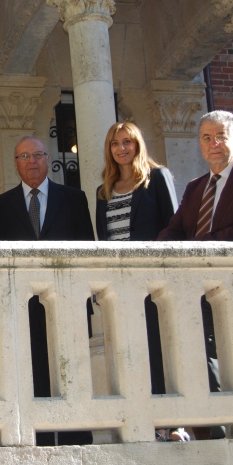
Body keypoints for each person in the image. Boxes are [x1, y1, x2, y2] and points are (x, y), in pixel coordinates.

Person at [158, 110, 233, 440]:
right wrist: (157, 250)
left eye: (221, 137)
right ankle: (213, 434)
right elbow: (175, 229)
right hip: (201, 290)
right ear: (199, 145)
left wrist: (195, 245)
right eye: (207, 138)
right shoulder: (196, 187)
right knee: (200, 356)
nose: (214, 144)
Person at [0, 135, 94, 446]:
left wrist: (87, 298)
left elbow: (88, 250)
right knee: (34, 374)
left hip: (69, 303)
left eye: (38, 155)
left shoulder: (74, 198)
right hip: (24, 308)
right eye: (24, 156)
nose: (32, 161)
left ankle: (78, 440)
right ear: (16, 164)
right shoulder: (0, 205)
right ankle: (42, 441)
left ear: (48, 159)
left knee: (73, 373)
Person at [95, 121, 183, 441]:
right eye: (115, 143)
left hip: (153, 283)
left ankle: (172, 424)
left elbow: (174, 226)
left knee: (161, 350)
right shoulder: (103, 191)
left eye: (127, 142)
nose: (121, 148)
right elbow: (103, 241)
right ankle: (141, 423)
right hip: (120, 287)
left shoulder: (156, 178)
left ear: (137, 145)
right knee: (130, 352)